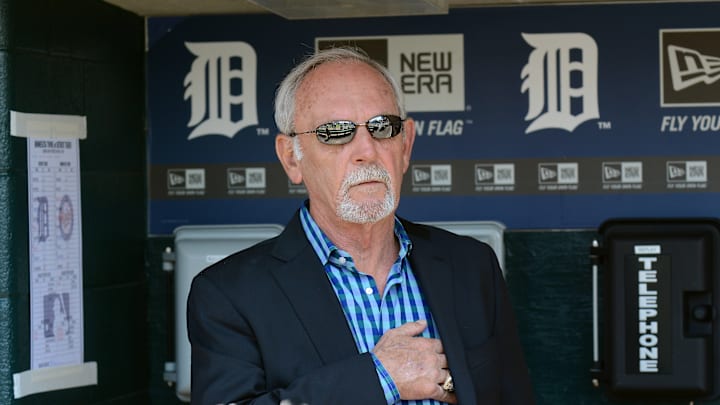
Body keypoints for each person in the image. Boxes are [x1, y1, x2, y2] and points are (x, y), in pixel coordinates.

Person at [187, 47, 535, 405]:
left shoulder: (471, 265)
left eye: (383, 127)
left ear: (406, 145)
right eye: (335, 132)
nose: (366, 149)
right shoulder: (229, 294)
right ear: (291, 158)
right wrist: (379, 378)